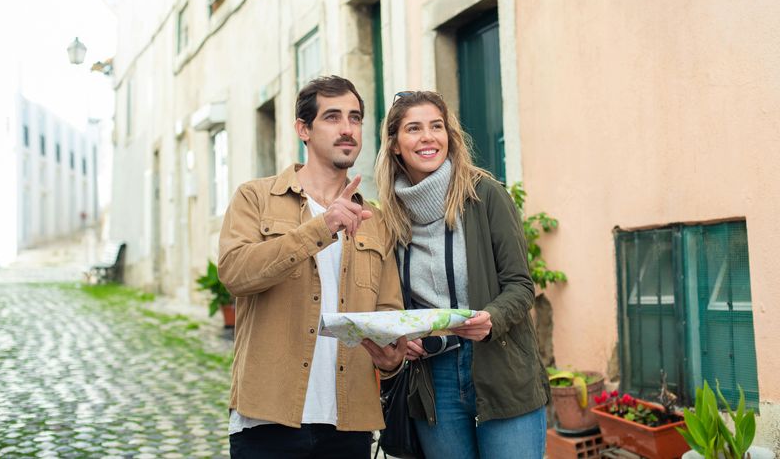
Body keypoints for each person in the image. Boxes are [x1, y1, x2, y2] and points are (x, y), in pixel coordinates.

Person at [218, 75, 407, 458]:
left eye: (355, 118)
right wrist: (322, 227)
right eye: (333, 117)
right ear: (303, 129)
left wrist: (392, 359)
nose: (347, 129)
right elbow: (236, 273)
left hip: (349, 422)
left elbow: (388, 312)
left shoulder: (376, 219)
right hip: (268, 419)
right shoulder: (256, 198)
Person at [375, 90, 550, 459]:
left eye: (436, 126)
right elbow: (389, 301)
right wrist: (403, 335)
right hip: (432, 378)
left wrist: (492, 318)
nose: (428, 137)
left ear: (449, 136)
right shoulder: (390, 217)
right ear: (394, 144)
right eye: (414, 128)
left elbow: (520, 285)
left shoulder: (485, 195)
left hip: (500, 365)